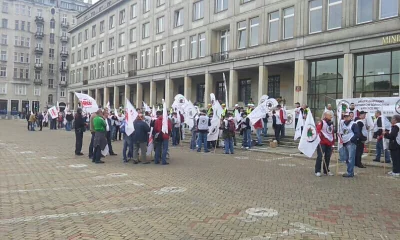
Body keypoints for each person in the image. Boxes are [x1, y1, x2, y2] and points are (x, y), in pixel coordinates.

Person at [340, 112, 360, 178]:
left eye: (347, 116)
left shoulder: (354, 124)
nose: (346, 118)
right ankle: (349, 171)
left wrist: (351, 140)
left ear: (350, 117)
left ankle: (350, 172)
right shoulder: (343, 124)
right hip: (345, 143)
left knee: (351, 158)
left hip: (351, 143)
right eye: (345, 116)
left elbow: (357, 134)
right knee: (347, 158)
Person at [315, 111, 335, 177]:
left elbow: (331, 134)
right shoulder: (322, 122)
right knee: (320, 157)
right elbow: (317, 130)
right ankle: (317, 171)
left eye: (331, 115)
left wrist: (333, 143)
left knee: (327, 157)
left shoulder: (331, 124)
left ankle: (326, 170)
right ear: (326, 115)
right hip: (322, 143)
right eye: (330, 115)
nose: (331, 117)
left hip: (329, 142)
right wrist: (319, 137)